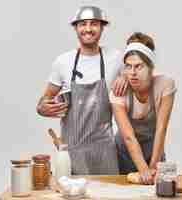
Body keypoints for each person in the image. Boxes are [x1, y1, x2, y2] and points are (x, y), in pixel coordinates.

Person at [36, 6, 127, 175]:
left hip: (104, 149)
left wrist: (125, 75)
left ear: (102, 27)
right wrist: (41, 107)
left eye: (94, 24)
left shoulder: (116, 58)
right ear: (76, 28)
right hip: (71, 150)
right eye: (83, 24)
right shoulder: (63, 62)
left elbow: (140, 72)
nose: (88, 29)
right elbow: (44, 99)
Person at [110, 32, 177, 184]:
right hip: (124, 152)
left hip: (154, 150)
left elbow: (161, 129)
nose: (132, 73)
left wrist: (153, 167)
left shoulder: (164, 85)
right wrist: (144, 170)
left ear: (150, 67)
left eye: (138, 66)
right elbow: (128, 136)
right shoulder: (118, 91)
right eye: (128, 66)